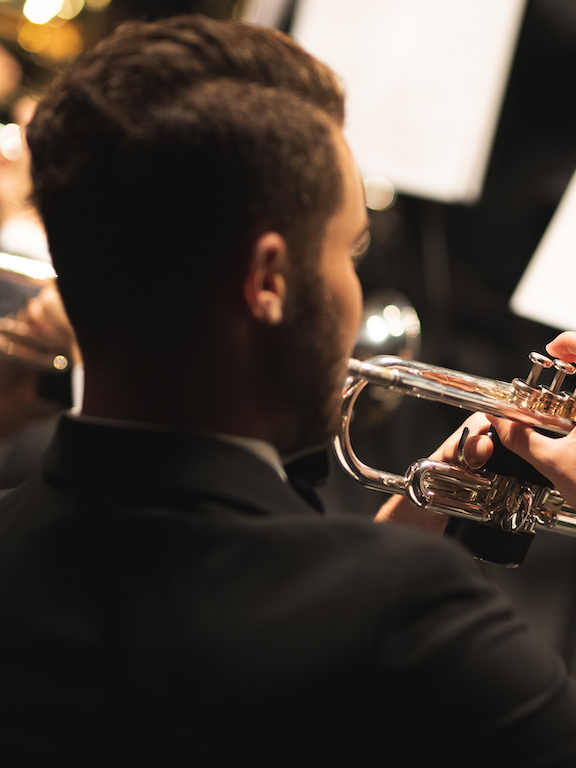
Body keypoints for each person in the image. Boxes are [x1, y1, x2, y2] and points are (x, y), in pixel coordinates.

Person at [0, 13, 573, 767]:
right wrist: (382, 568)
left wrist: (393, 533)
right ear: (269, 280)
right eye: (350, 251)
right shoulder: (409, 616)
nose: (354, 292)